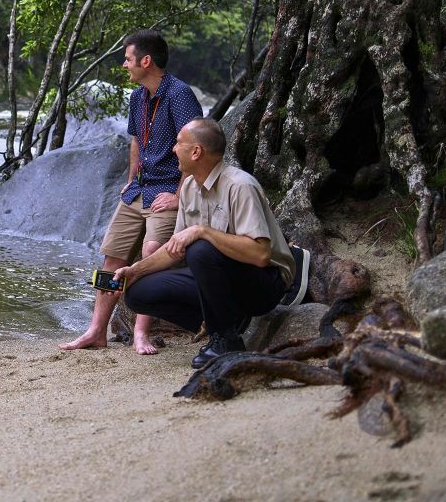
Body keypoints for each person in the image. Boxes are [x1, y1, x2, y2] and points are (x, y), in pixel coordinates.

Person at [60, 29, 202, 353]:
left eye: (127, 59)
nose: (125, 65)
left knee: (153, 250)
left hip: (167, 188)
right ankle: (96, 331)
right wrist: (130, 178)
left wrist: (181, 196)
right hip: (138, 188)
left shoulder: (180, 95)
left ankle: (141, 331)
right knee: (111, 257)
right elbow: (136, 141)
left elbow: (196, 145)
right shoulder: (138, 96)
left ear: (146, 61)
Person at [113, 118, 295, 368]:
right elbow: (175, 249)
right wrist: (135, 271)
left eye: (178, 143)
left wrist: (202, 231)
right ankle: (226, 323)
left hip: (265, 283)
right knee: (138, 293)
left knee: (200, 248)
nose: (173, 149)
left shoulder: (240, 186)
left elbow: (261, 254)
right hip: (221, 279)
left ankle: (225, 341)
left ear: (196, 152)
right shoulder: (188, 186)